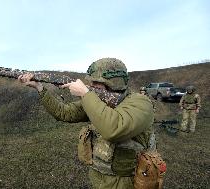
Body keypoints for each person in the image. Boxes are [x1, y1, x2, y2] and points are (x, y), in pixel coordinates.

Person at [18, 58, 154, 189]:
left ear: (113, 83)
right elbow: (64, 112)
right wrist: (40, 88)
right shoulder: (97, 100)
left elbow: (114, 130)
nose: (91, 86)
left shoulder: (141, 103)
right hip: (99, 178)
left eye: (96, 83)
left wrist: (85, 94)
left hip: (129, 182)